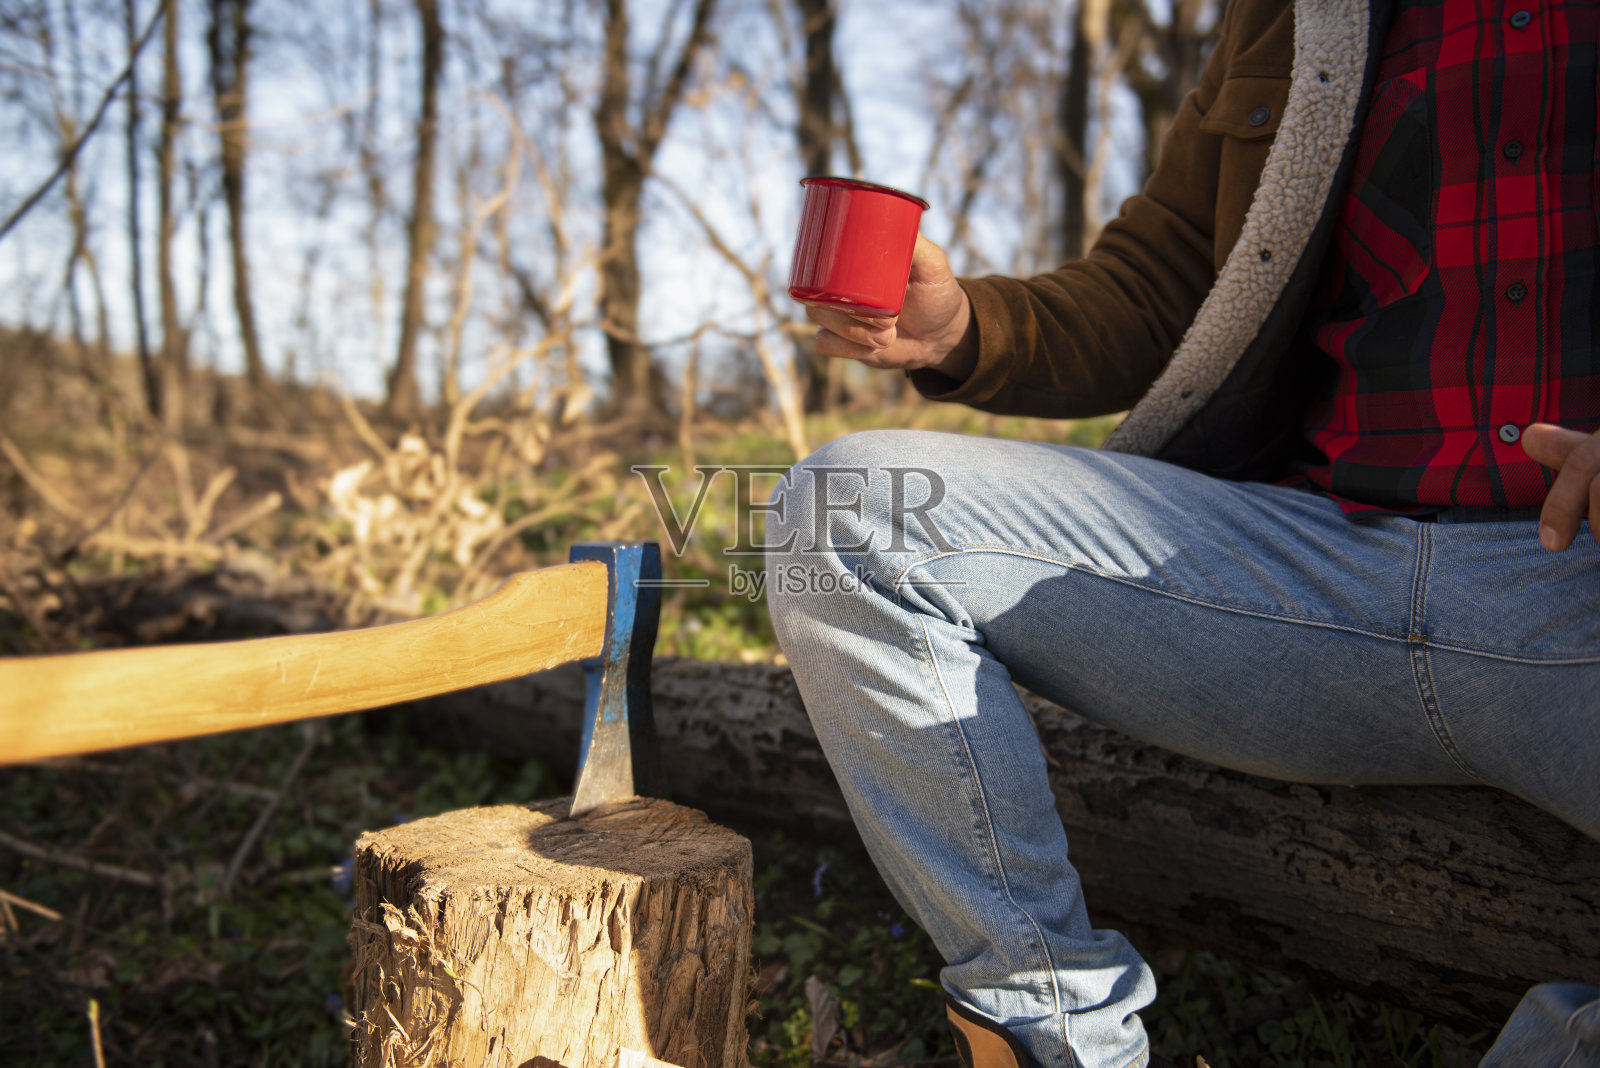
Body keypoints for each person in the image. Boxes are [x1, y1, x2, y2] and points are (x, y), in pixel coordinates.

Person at [763, 0, 1600, 1065]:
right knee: (849, 508)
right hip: (1305, 573)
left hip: (1576, 606)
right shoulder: (1300, 15)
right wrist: (965, 325)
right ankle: (1050, 1033)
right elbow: (1167, 282)